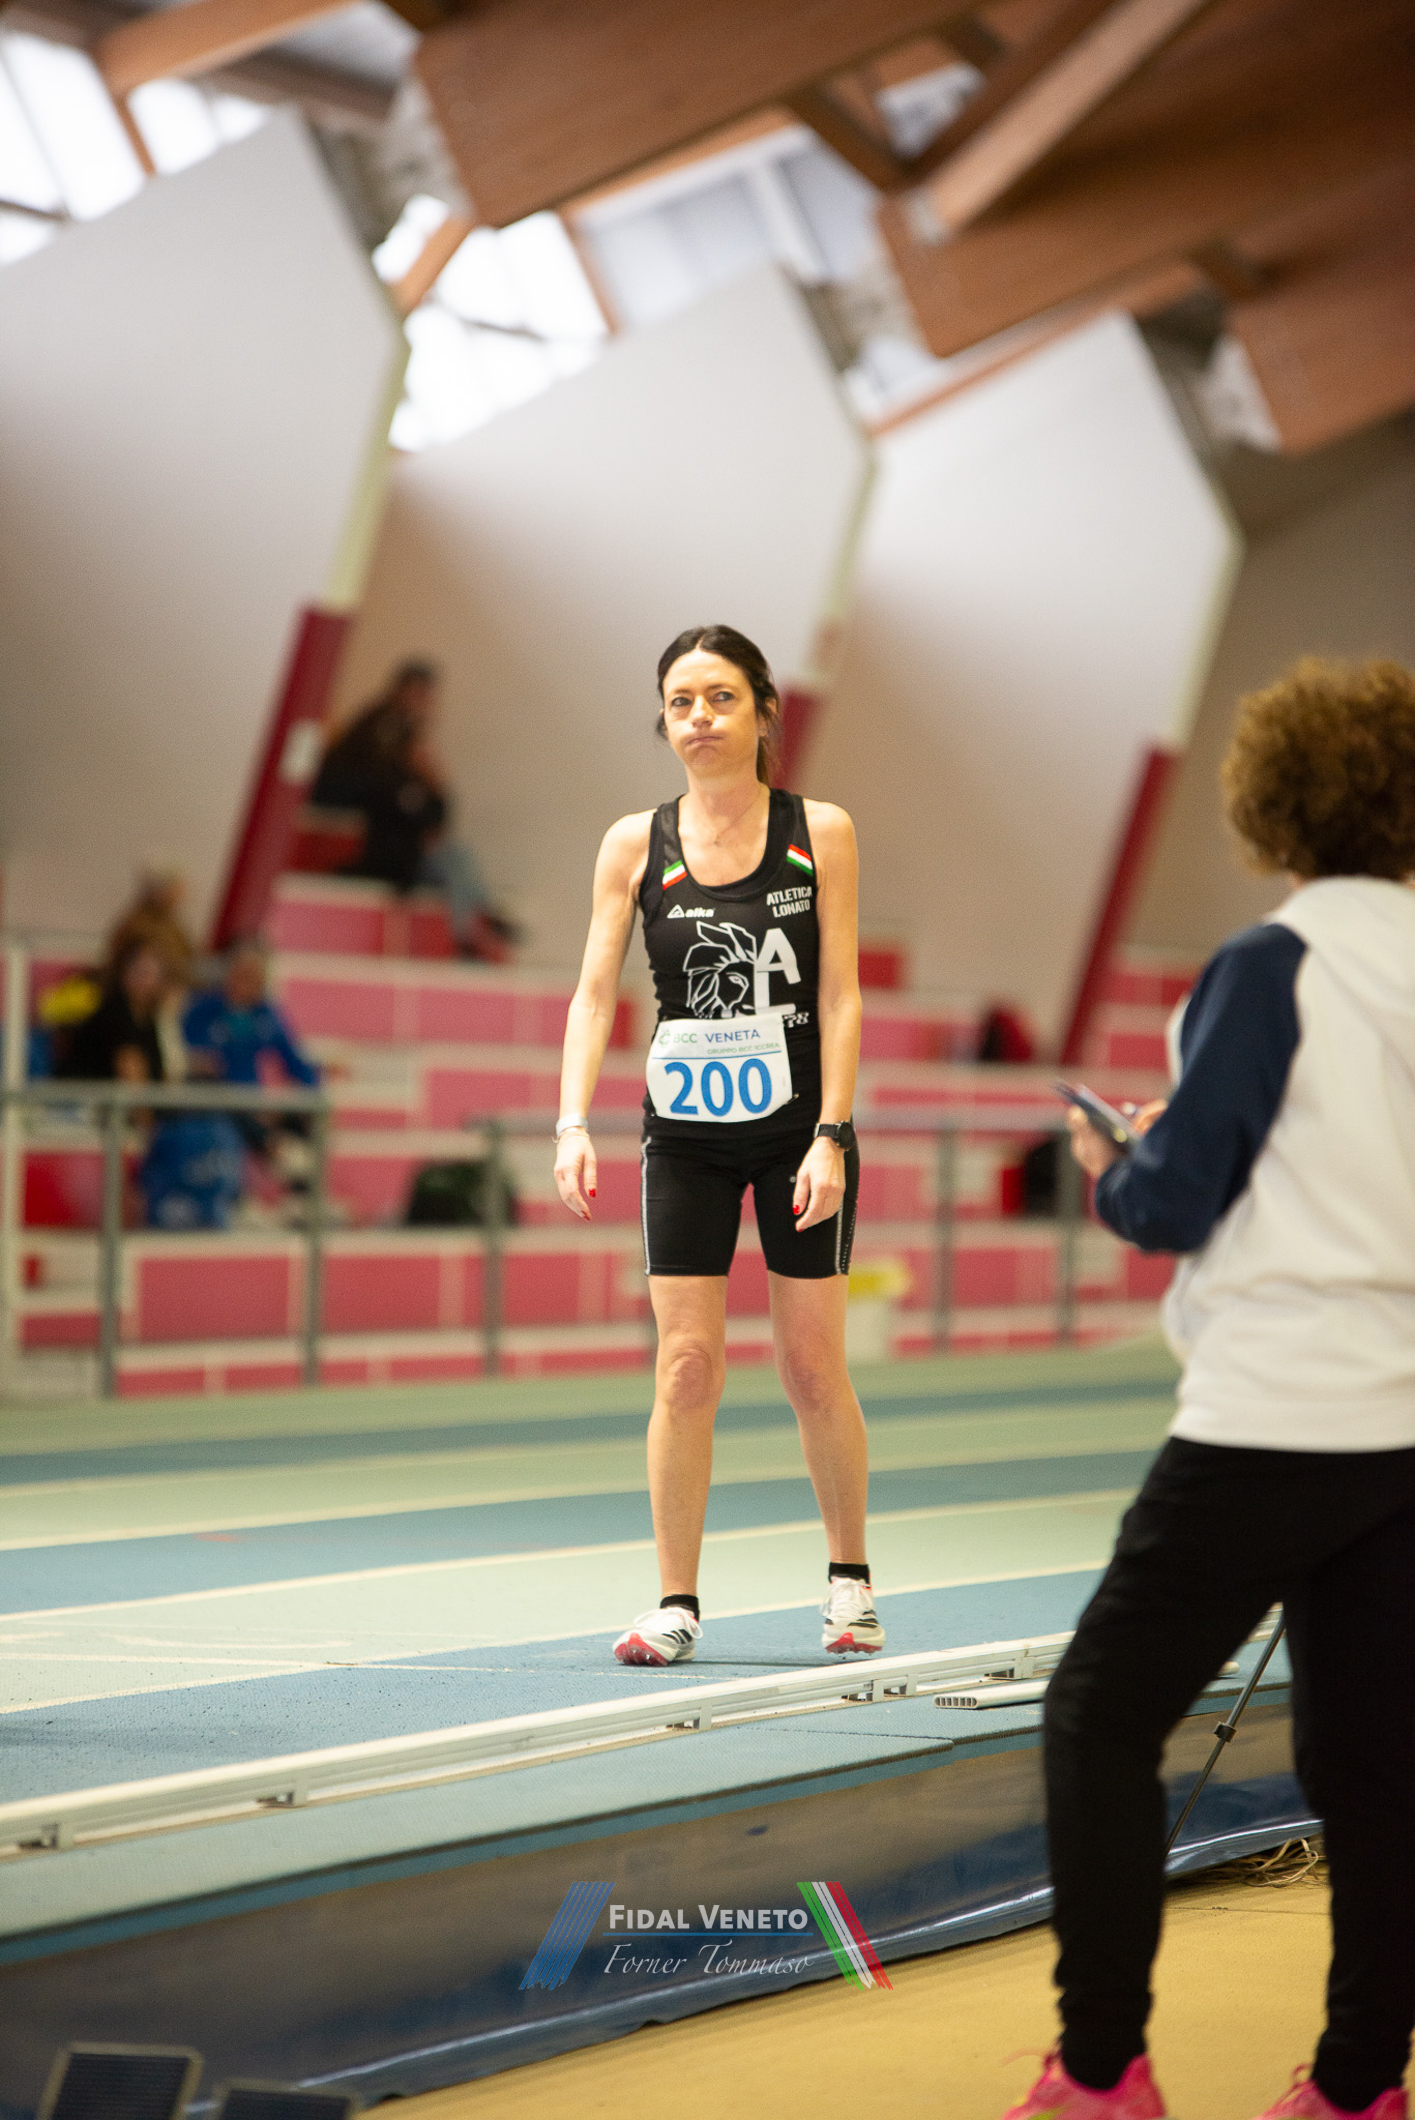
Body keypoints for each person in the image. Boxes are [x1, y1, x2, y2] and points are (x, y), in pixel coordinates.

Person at [1005, 658, 1415, 2120]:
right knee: (1374, 1768)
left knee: (1098, 1715)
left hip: (1273, 1414)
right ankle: (1358, 2086)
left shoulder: (1270, 962)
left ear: (1272, 802)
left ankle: (1099, 2071)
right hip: (1404, 1425)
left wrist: (1116, 1166)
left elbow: (1177, 1199)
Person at [554, 624, 881, 1668]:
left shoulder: (818, 830)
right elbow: (593, 994)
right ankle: (675, 1600)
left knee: (809, 1364)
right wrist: (570, 1120)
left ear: (762, 711)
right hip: (685, 1137)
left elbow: (841, 993)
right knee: (686, 1366)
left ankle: (848, 1580)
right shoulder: (631, 843)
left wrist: (831, 1133)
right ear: (664, 720)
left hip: (797, 1134)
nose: (699, 717)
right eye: (681, 702)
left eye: (720, 697)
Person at [312, 659, 509, 960]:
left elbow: (438, 814)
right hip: (387, 845)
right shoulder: (384, 734)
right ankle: (471, 933)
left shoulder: (413, 766)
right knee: (455, 861)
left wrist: (435, 786)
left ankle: (479, 921)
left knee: (458, 855)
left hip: (409, 840)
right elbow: (396, 806)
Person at [184, 939, 320, 1167]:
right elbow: (194, 1063)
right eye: (241, 973)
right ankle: (267, 1144)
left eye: (254, 976)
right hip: (216, 1104)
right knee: (216, 1101)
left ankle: (303, 1181)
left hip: (257, 1102)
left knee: (307, 1120)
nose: (246, 983)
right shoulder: (202, 1010)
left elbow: (297, 1064)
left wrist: (306, 1096)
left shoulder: (267, 1015)